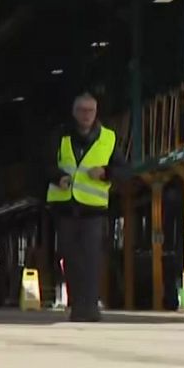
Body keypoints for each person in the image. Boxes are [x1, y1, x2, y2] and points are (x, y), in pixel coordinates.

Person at [46, 92, 129, 322]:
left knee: (92, 260)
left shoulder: (108, 139)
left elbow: (124, 172)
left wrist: (105, 173)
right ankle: (77, 306)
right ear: (74, 113)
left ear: (96, 113)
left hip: (94, 212)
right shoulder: (60, 137)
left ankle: (90, 308)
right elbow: (44, 166)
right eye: (81, 110)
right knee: (71, 260)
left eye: (90, 111)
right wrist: (58, 177)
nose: (86, 115)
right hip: (66, 209)